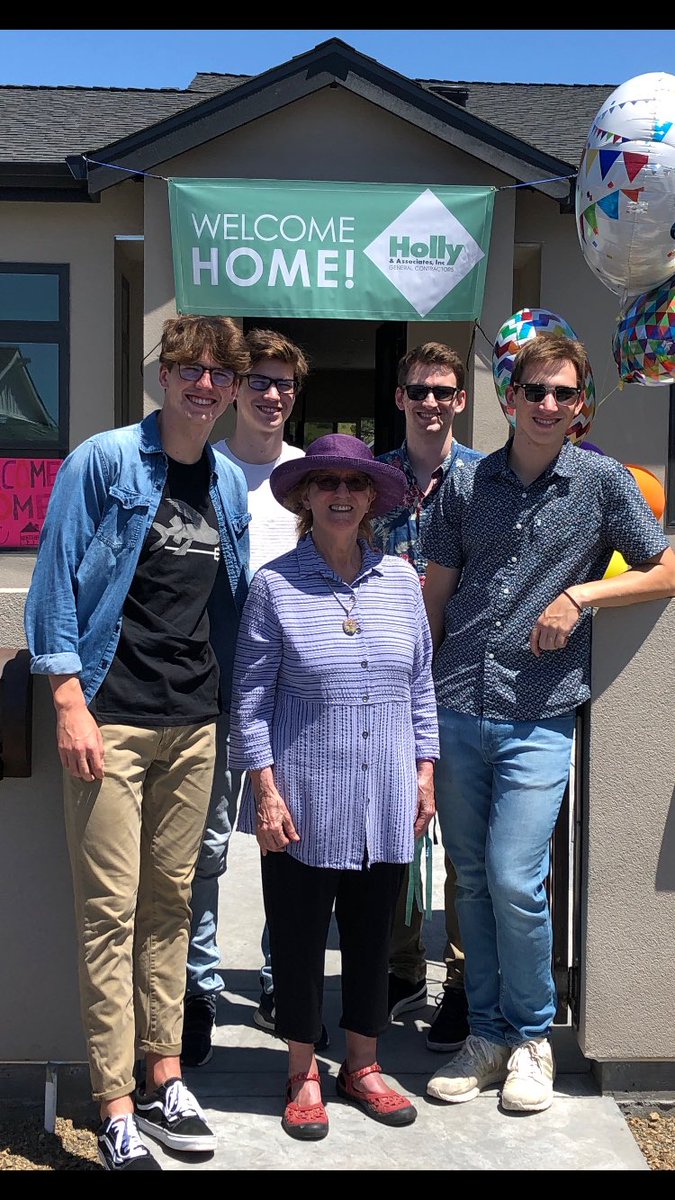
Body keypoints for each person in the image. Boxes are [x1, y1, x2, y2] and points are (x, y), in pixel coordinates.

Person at [422, 331, 675, 1114]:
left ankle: (530, 1036)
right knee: (469, 883)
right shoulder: (464, 485)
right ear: (509, 397)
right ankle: (488, 1038)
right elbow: (435, 594)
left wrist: (581, 597)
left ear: (580, 405)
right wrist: (413, 712)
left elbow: (664, 563)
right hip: (458, 700)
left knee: (513, 878)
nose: (548, 405)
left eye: (564, 394)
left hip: (539, 711)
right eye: (535, 391)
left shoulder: (600, 482)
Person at [24, 314, 251, 1170]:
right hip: (111, 719)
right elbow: (53, 585)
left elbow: (226, 606)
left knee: (170, 908)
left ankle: (165, 1079)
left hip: (194, 722)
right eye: (189, 369)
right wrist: (69, 702)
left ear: (232, 390)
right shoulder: (106, 461)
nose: (204, 385)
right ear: (163, 375)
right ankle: (116, 1102)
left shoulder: (226, 482)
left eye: (219, 374)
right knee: (109, 915)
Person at [229, 434, 439, 1140]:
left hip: (385, 794)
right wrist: (264, 790)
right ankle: (300, 1070)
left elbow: (420, 688)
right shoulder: (274, 585)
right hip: (301, 798)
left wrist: (424, 773)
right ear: (304, 498)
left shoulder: (400, 583)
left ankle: (362, 1063)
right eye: (326, 484)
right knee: (294, 938)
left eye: (353, 483)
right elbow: (250, 700)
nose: (340, 495)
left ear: (372, 498)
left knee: (373, 936)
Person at [181, 326, 326, 1067]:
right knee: (205, 851)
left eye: (284, 385)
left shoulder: (312, 480)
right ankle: (198, 989)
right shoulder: (203, 472)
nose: (271, 395)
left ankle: (282, 980)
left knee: (289, 847)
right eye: (259, 382)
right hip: (207, 691)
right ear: (236, 390)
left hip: (292, 700)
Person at [371, 340, 482, 1052]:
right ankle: (402, 965)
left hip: (465, 682)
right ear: (400, 398)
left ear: (461, 399)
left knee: (463, 844)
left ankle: (462, 981)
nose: (432, 403)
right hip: (384, 687)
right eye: (420, 391)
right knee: (396, 836)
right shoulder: (370, 479)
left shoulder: (485, 479)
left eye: (444, 391)